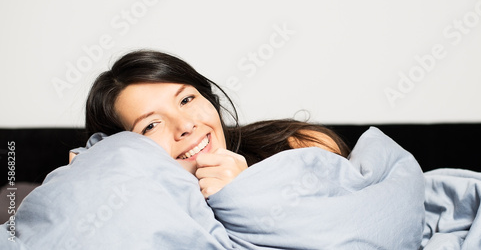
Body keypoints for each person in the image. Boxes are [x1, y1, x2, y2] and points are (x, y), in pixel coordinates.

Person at [81, 49, 351, 198]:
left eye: (186, 100)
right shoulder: (135, 203)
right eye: (151, 125)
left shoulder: (298, 145)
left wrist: (245, 191)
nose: (185, 125)